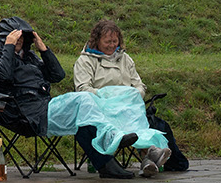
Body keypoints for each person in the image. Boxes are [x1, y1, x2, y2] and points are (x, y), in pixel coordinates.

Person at [0, 17, 162, 180]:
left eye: (21, 39)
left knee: (85, 124)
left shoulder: (30, 57)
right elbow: (2, 77)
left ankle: (105, 165)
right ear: (5, 39)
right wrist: (9, 48)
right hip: (22, 113)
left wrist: (43, 49)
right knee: (84, 98)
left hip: (44, 107)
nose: (19, 42)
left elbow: (57, 75)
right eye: (15, 39)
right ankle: (112, 137)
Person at [75, 19, 186, 175]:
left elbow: (139, 85)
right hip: (101, 108)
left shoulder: (125, 59)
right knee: (127, 121)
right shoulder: (85, 60)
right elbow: (82, 89)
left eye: (115, 41)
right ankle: (149, 156)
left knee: (152, 121)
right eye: (107, 41)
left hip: (129, 107)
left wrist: (135, 94)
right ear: (97, 41)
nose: (112, 45)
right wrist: (109, 96)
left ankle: (149, 159)